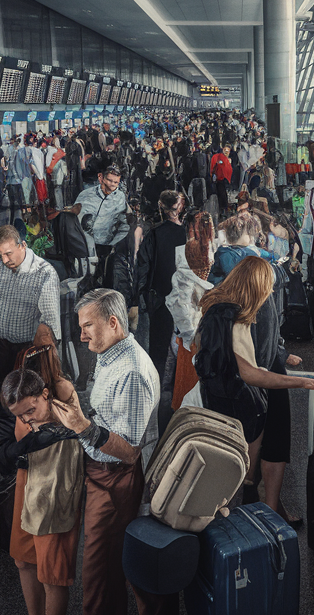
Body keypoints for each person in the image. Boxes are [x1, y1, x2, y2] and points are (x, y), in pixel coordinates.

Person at [193, 257, 314, 506]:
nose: (270, 293)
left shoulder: (214, 306)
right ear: (257, 286)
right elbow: (251, 374)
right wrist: (306, 383)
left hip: (213, 401)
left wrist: (310, 377)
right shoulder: (237, 318)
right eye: (268, 287)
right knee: (237, 480)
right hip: (241, 409)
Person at [72, 288, 176, 615]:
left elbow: (129, 452)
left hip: (116, 479)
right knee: (114, 570)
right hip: (103, 474)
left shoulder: (131, 372)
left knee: (99, 577)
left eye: (88, 326)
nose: (81, 334)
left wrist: (81, 426)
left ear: (113, 323)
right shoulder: (110, 353)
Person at [0, 350, 89, 615]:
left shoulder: (63, 395)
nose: (27, 419)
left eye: (31, 410)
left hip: (56, 487)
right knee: (23, 561)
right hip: (27, 481)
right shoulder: (20, 396)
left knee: (53, 575)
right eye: (20, 415)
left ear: (46, 394)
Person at [0, 224, 61, 436]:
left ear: (22, 245)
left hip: (26, 350)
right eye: (0, 254)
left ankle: (20, 450)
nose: (5, 260)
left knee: (22, 403)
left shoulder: (44, 274)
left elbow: (50, 321)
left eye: (8, 253)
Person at [133, 191, 186, 431]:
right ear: (180, 206)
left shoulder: (153, 235)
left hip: (161, 302)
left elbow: (142, 269)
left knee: (159, 355)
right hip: (185, 302)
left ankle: (156, 407)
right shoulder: (189, 234)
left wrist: (142, 298)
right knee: (184, 351)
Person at [166, 212, 215, 412]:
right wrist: (191, 340)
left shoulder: (196, 250)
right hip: (190, 341)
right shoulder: (189, 262)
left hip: (191, 337)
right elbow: (181, 308)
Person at [69, 165, 129, 278]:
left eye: (116, 182)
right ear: (101, 178)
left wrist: (115, 242)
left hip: (106, 246)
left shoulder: (120, 197)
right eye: (110, 180)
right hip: (84, 246)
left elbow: (124, 223)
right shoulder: (85, 195)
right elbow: (73, 219)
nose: (112, 185)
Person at [209, 212, 276, 285]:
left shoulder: (242, 251)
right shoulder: (226, 254)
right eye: (248, 234)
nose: (251, 238)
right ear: (238, 234)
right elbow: (232, 277)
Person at [210, 144, 233, 216]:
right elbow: (213, 167)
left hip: (225, 180)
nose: (226, 152)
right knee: (221, 194)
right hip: (219, 179)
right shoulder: (217, 157)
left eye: (228, 151)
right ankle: (222, 209)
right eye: (225, 150)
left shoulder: (228, 160)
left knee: (223, 194)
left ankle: (224, 209)